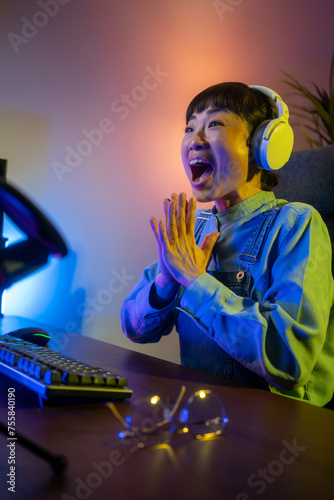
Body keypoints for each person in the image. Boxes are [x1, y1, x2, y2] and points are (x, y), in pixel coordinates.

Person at [120, 82, 334, 407]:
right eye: (190, 128)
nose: (195, 140)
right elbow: (135, 328)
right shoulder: (193, 229)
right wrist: (165, 279)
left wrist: (195, 280)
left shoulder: (296, 223)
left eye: (215, 124)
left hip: (280, 432)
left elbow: (289, 359)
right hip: (200, 414)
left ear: (262, 146)